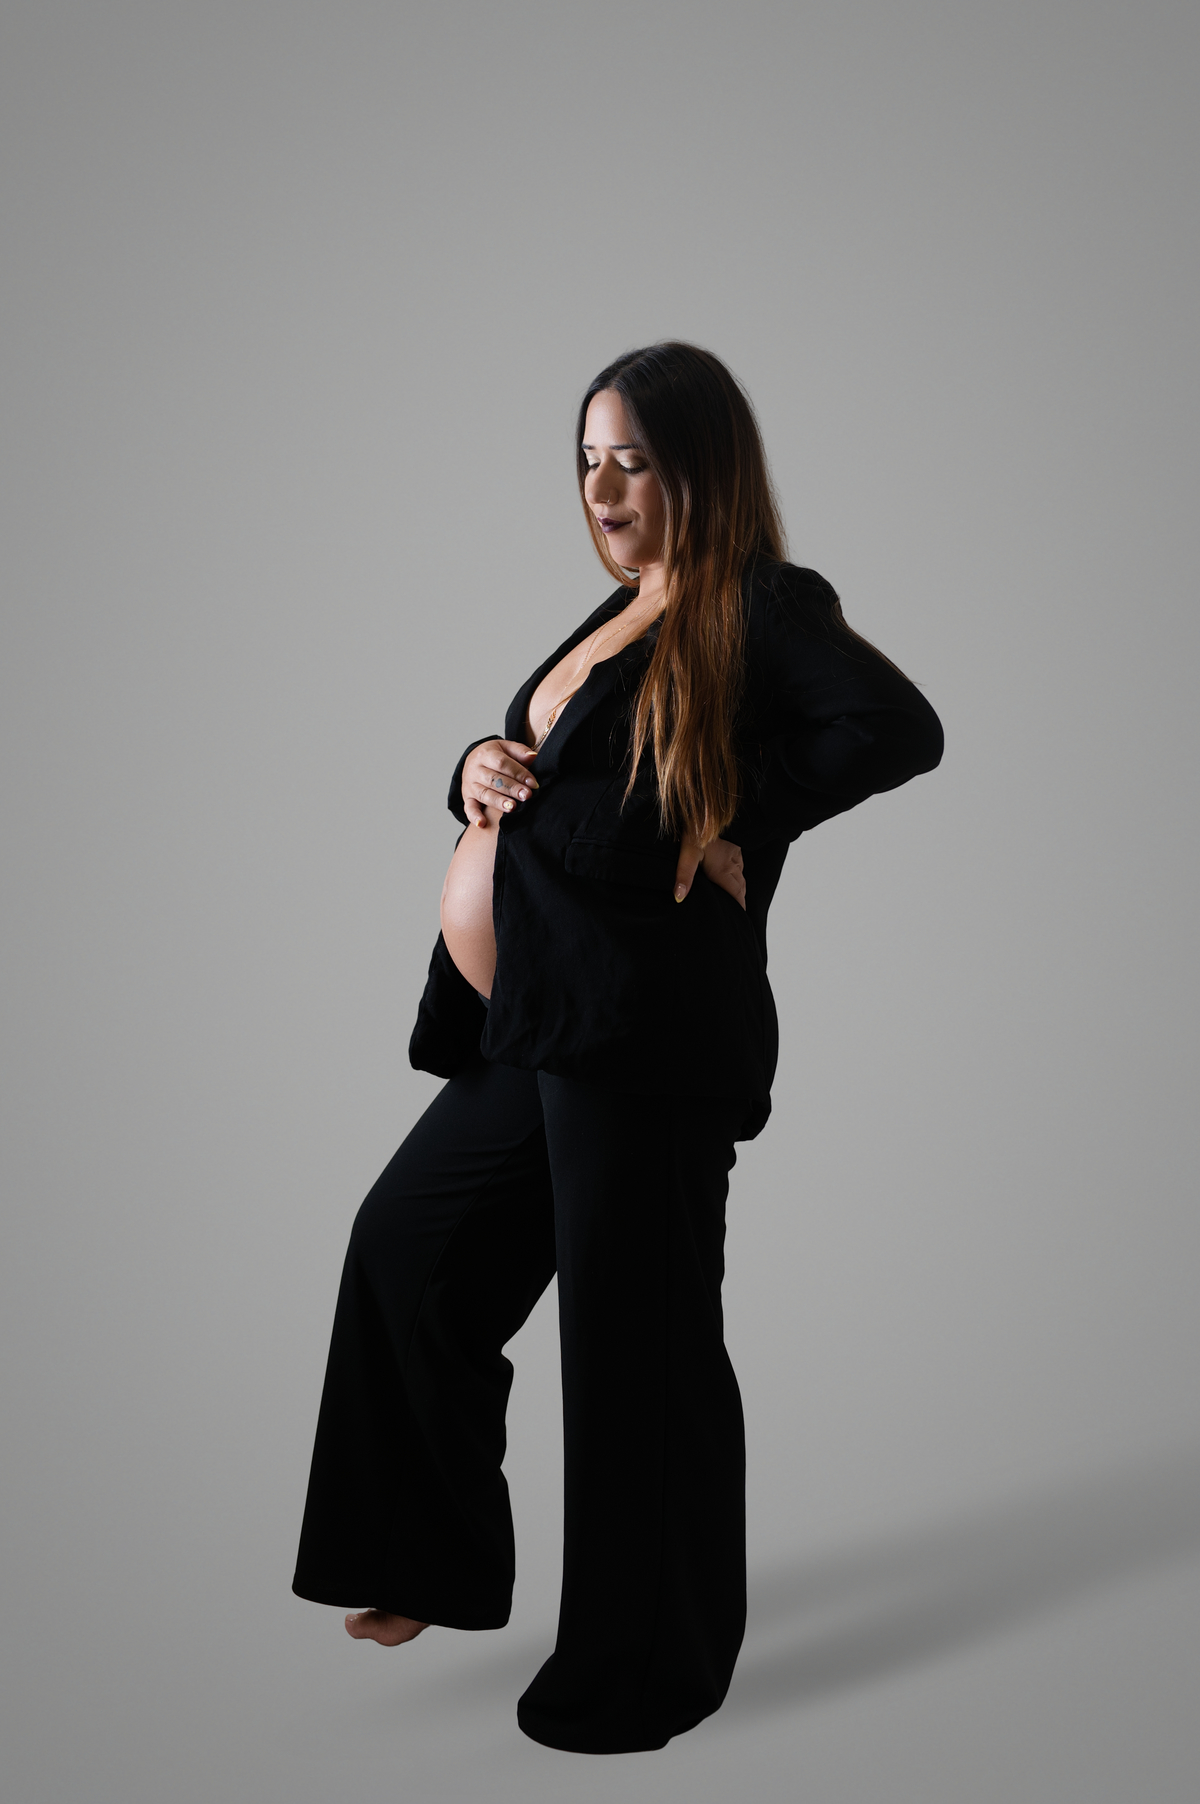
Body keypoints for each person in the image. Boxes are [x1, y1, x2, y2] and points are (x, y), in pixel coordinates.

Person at [292, 341, 944, 1754]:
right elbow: (562, 762)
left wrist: (738, 812)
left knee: (634, 1342)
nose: (601, 487)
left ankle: (647, 1665)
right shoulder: (622, 609)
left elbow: (897, 726)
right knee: (408, 1247)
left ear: (701, 469)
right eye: (587, 460)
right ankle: (424, 1560)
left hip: (643, 1030)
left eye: (632, 460)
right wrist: (471, 764)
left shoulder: (757, 604)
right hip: (537, 1020)